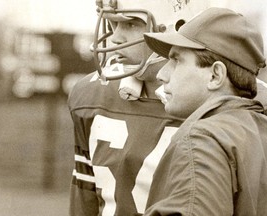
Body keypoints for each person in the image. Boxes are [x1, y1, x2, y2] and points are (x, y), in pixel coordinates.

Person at [67, 0, 214, 215]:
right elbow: (84, 204)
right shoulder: (92, 95)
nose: (115, 38)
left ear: (179, 26)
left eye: (131, 24)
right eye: (112, 24)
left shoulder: (245, 103)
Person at [143, 7, 267, 215]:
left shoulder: (200, 140)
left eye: (176, 60)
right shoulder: (259, 128)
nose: (162, 74)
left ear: (215, 75)